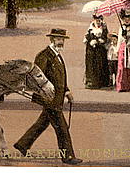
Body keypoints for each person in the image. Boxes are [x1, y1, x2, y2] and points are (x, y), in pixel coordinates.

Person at [14, 28, 81, 165]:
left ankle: (23, 144)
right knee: (62, 128)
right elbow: (37, 78)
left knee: (42, 123)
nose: (60, 41)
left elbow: (59, 78)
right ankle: (68, 156)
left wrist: (67, 92)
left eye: (62, 39)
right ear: (51, 39)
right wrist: (45, 96)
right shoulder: (44, 55)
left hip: (56, 98)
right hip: (49, 98)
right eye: (57, 39)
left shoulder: (57, 55)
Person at [83, 14, 111, 89]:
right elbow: (86, 38)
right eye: (97, 20)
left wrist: (102, 40)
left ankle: (102, 82)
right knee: (91, 65)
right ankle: (91, 82)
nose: (98, 21)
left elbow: (106, 38)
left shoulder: (104, 27)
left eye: (99, 20)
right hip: (92, 50)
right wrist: (91, 41)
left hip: (100, 50)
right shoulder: (90, 28)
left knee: (101, 64)